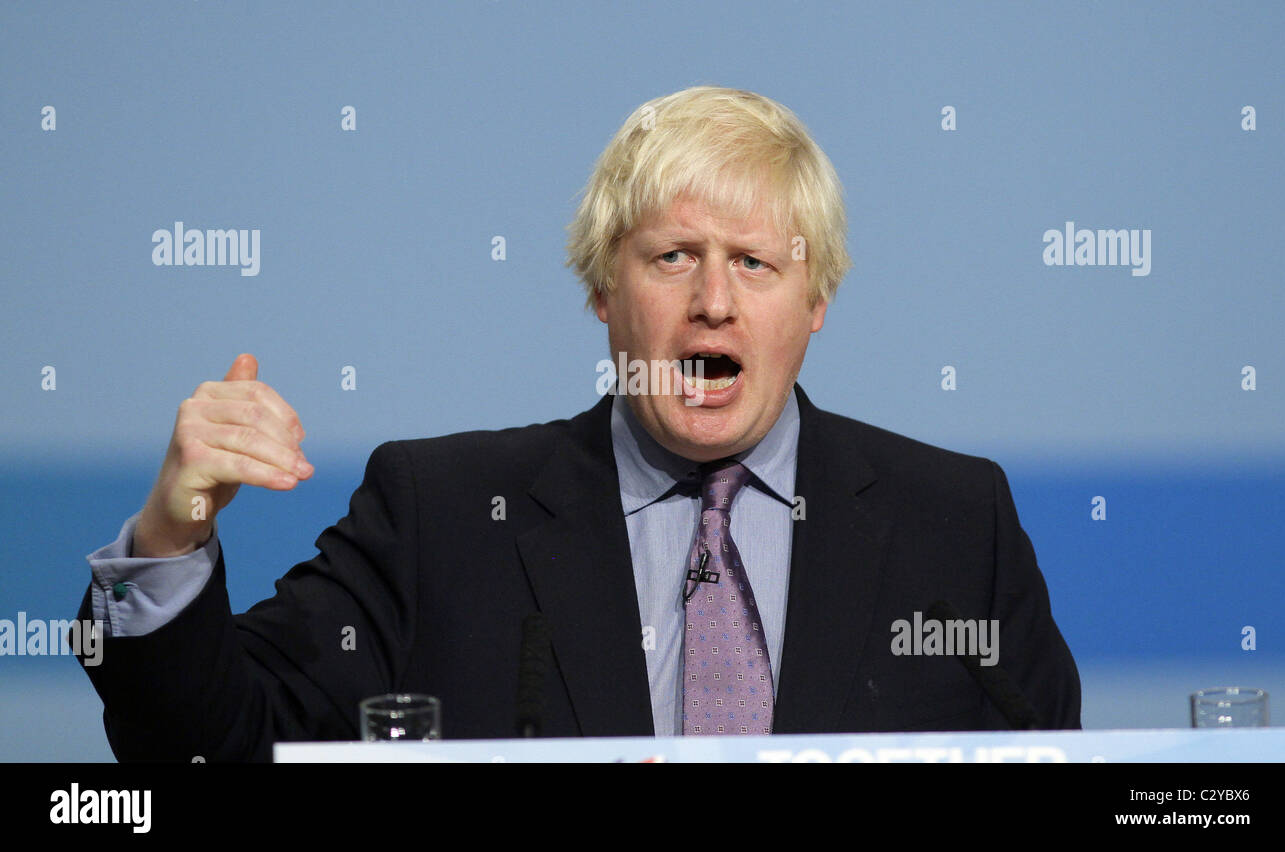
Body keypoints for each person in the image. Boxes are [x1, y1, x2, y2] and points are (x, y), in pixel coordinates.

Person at [77, 86, 1080, 761]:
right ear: (603, 287)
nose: (714, 302)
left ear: (816, 299)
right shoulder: (445, 517)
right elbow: (213, 744)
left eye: (756, 262)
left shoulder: (954, 522)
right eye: (672, 255)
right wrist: (171, 539)